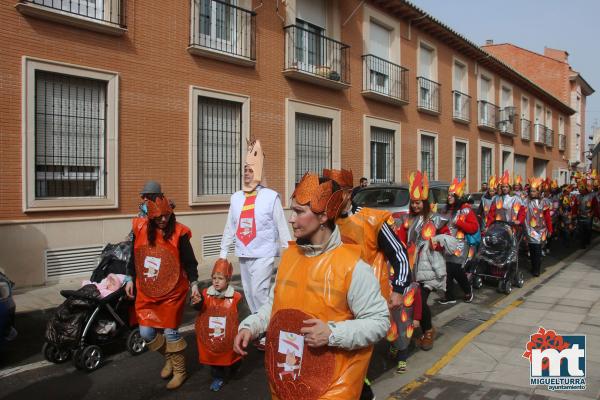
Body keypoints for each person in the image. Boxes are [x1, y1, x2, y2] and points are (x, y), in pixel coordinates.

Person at [233, 172, 389, 399]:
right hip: (290, 374)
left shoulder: (353, 267)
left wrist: (332, 334)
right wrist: (250, 326)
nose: (291, 219)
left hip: (333, 385)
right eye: (292, 210)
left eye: (299, 211)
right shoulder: (289, 257)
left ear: (324, 216)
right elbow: (274, 305)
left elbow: (379, 322)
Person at [324, 168, 409, 399]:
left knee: (357, 347)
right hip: (335, 295)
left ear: (349, 193)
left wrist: (399, 288)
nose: (331, 200)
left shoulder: (372, 219)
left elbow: (399, 254)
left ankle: (361, 385)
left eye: (336, 194)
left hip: (364, 296)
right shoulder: (326, 221)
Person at [220, 140, 291, 349]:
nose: (247, 173)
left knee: (260, 292)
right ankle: (261, 327)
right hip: (244, 253)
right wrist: (223, 255)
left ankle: (272, 329)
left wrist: (290, 253)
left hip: (264, 253)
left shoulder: (271, 197)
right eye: (245, 170)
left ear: (258, 172)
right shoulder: (235, 198)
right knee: (250, 294)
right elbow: (229, 227)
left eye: (250, 170)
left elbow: (281, 226)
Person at [125, 195, 199, 390]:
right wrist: (129, 278)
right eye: (159, 217)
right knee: (146, 332)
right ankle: (169, 358)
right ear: (151, 218)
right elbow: (134, 257)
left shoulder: (179, 233)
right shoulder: (140, 229)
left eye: (166, 215)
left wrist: (194, 285)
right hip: (148, 291)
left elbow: (190, 262)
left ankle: (180, 371)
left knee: (170, 332)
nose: (164, 220)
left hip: (173, 293)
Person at [395, 171, 455, 351]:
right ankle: (414, 329)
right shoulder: (407, 219)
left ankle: (428, 331)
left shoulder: (435, 219)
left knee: (420, 297)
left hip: (428, 267)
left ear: (425, 202)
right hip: (409, 266)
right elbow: (400, 239)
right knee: (412, 300)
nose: (415, 205)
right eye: (413, 202)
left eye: (418, 202)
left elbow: (449, 239)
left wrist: (438, 242)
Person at [192, 258, 242, 392]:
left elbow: (242, 314)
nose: (216, 281)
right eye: (214, 278)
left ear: (228, 280)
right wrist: (196, 302)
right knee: (214, 358)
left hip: (229, 336)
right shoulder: (206, 294)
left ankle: (235, 367)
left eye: (220, 278)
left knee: (232, 355)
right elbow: (200, 307)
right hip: (212, 335)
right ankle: (217, 377)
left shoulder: (236, 297)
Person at [438, 178, 479, 305]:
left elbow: (474, 228)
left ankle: (468, 290)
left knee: (455, 268)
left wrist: (460, 222)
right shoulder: (446, 210)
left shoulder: (465, 210)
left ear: (457, 196)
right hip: (448, 243)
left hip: (460, 243)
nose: (449, 197)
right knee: (448, 269)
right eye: (448, 195)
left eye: (452, 195)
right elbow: (442, 225)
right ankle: (449, 295)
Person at [523, 178, 553, 277]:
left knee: (538, 250)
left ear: (538, 191)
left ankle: (537, 269)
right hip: (530, 230)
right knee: (532, 249)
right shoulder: (525, 201)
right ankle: (534, 266)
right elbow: (522, 214)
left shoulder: (544, 202)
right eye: (531, 191)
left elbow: (547, 217)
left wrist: (550, 229)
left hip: (541, 230)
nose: (532, 193)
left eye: (534, 191)